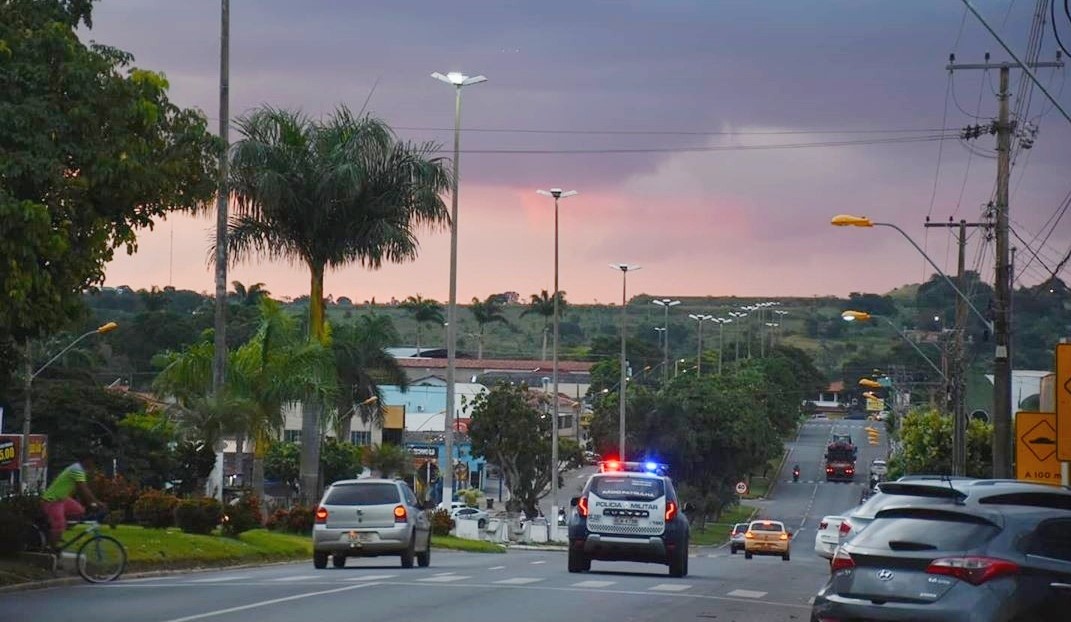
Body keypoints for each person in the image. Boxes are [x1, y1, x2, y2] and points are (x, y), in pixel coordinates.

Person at [40, 451, 103, 550]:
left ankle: (56, 533)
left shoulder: (79, 470)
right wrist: (96, 502)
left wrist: (91, 502)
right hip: (52, 500)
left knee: (79, 512)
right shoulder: (76, 469)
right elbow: (83, 489)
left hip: (62, 499)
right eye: (93, 462)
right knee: (59, 524)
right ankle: (51, 547)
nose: (93, 465)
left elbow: (80, 490)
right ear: (87, 460)